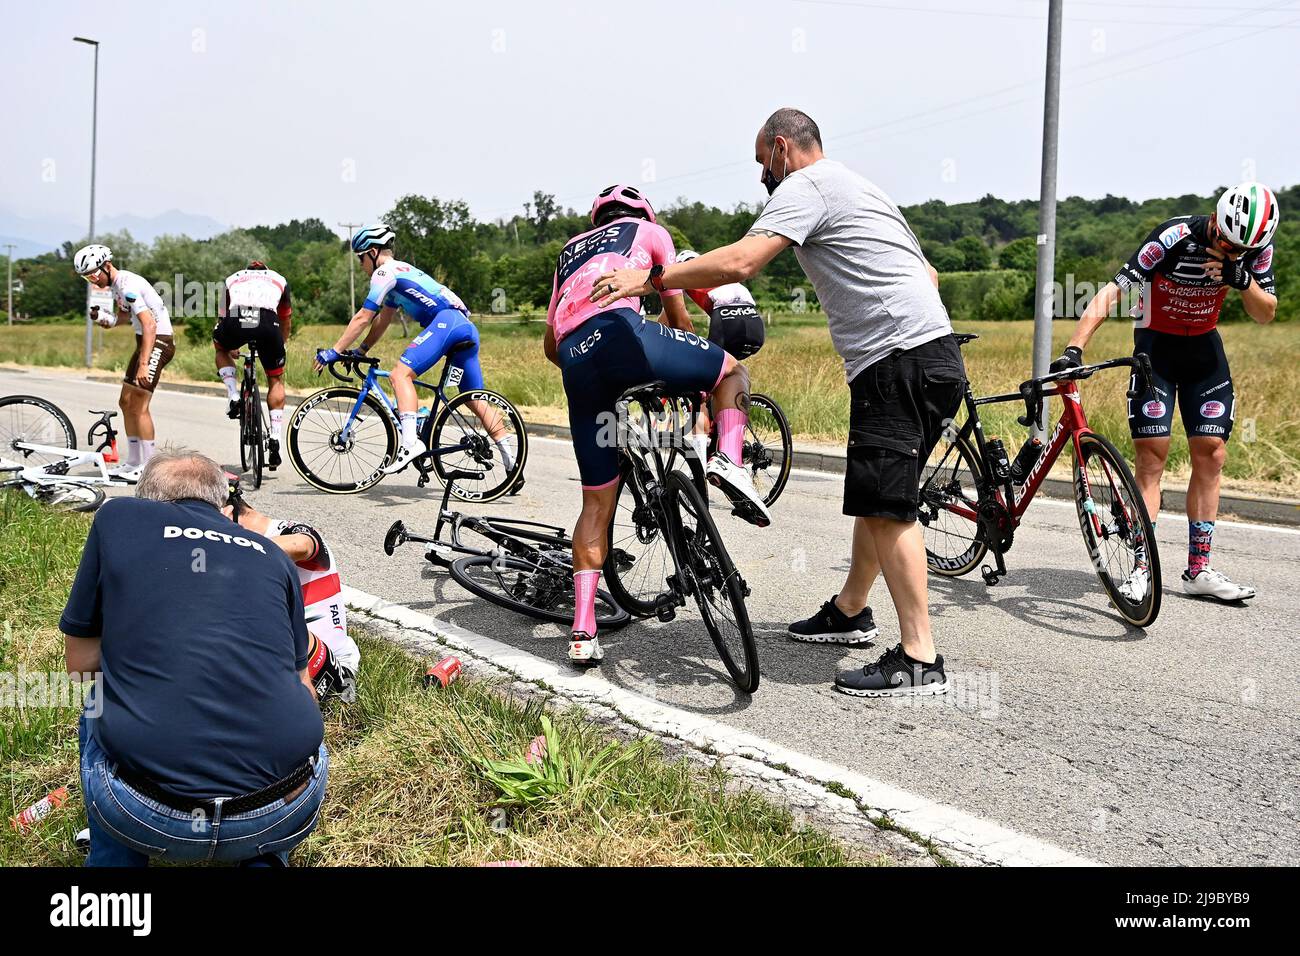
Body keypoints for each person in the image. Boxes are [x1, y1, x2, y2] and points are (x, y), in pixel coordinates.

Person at [593, 110, 962, 697]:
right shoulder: (861, 186)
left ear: (781, 148)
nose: (762, 175)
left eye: (762, 162)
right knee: (878, 495)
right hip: (930, 356)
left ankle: (921, 656)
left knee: (890, 507)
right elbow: (930, 273)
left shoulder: (805, 185)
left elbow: (742, 261)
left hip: (897, 360)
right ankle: (850, 610)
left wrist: (652, 281)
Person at [61, 449, 327, 866]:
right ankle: (261, 858)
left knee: (95, 702)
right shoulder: (272, 555)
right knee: (293, 742)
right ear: (223, 506)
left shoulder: (118, 517)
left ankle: (114, 867)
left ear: (147, 499)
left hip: (145, 814)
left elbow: (79, 669)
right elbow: (303, 687)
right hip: (281, 810)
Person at [547, 184, 769, 666]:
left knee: (595, 506)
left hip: (575, 363)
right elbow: (675, 310)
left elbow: (551, 343)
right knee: (732, 371)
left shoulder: (568, 254)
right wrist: (690, 371)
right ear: (643, 212)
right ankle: (730, 460)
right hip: (626, 339)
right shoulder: (648, 232)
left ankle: (583, 633)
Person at [1053, 182, 1279, 603]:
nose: (1231, 253)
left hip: (1204, 352)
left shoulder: (1253, 250)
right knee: (1152, 456)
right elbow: (1114, 291)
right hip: (1156, 349)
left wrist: (1242, 279)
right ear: (1215, 220)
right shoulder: (1172, 236)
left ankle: (1199, 570)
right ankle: (1142, 568)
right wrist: (1074, 347)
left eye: (1240, 250)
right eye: (1227, 244)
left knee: (1212, 452)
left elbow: (1266, 313)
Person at [313, 224, 516, 477]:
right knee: (474, 399)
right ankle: (512, 465)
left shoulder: (384, 272)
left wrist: (334, 350)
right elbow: (383, 319)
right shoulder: (402, 271)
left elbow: (364, 316)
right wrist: (362, 349)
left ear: (373, 252)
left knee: (400, 375)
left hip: (446, 322)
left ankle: (410, 444)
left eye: (361, 259)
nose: (361, 266)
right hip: (465, 327)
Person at [227, 484, 360, 703]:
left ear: (226, 512)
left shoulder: (288, 530)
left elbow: (303, 545)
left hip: (336, 673)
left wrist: (231, 548)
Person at [73, 244, 176, 483]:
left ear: (107, 266)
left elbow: (149, 324)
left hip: (158, 341)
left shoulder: (128, 286)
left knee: (139, 404)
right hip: (145, 342)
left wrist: (143, 363)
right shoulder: (117, 288)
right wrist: (102, 318)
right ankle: (133, 462)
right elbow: (120, 319)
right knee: (125, 401)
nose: (91, 280)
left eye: (93, 274)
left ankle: (150, 469)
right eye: (86, 277)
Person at [214, 260, 293, 470]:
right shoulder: (279, 279)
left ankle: (233, 395)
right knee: (275, 379)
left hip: (237, 317)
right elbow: (286, 317)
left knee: (220, 348)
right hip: (268, 322)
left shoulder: (233, 278)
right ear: (267, 272)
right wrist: (281, 344)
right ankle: (275, 436)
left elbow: (222, 315)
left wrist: (230, 347)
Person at [676, 249, 766, 359]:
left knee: (709, 361)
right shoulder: (719, 269)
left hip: (725, 316)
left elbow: (677, 318)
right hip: (754, 320)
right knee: (732, 366)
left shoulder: (680, 277)